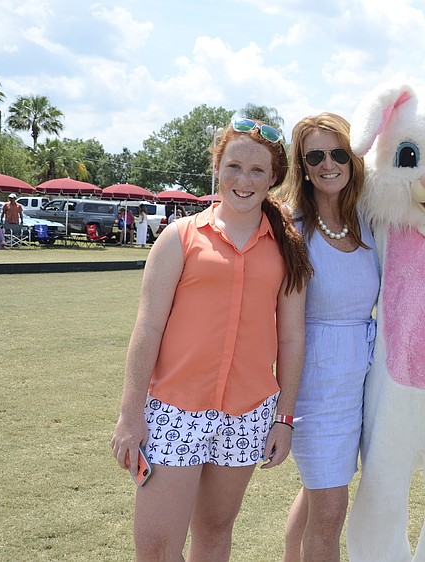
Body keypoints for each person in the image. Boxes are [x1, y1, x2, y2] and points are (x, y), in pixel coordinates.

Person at [110, 116, 313, 561]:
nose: (245, 180)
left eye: (258, 170)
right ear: (216, 167)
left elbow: (292, 339)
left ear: (274, 177)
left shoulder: (289, 247)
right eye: (234, 166)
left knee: (216, 534)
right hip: (174, 410)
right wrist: (130, 415)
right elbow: (147, 327)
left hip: (248, 416)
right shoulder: (179, 238)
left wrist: (284, 418)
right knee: (157, 548)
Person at [279, 113, 380, 562]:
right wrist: (284, 412)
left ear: (354, 159)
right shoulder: (293, 228)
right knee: (329, 511)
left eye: (338, 153)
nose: (328, 163)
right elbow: (289, 330)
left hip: (362, 375)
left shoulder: (368, 220)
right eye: (315, 155)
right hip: (316, 386)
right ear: (301, 164)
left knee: (318, 492)